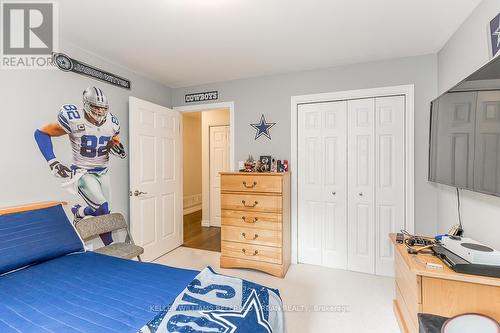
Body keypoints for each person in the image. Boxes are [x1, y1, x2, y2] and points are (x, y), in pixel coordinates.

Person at [34, 86, 126, 245]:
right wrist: (52, 161)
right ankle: (111, 246)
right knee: (103, 209)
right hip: (83, 172)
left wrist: (116, 146)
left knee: (105, 210)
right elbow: (41, 133)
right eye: (95, 107)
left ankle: (80, 211)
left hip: (103, 170)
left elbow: (114, 141)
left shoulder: (112, 121)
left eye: (102, 108)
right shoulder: (74, 118)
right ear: (86, 104)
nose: (99, 112)